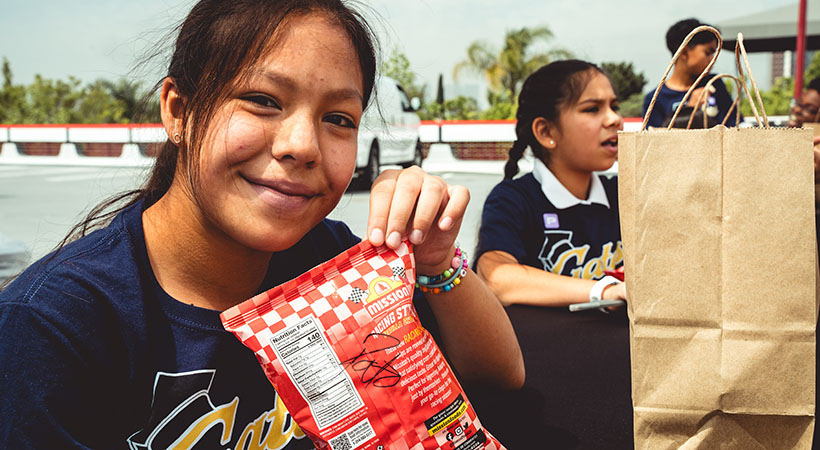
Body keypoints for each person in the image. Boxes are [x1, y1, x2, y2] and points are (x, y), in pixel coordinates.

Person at [0, 1, 524, 448]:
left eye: (338, 119)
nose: (302, 145)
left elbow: (499, 376)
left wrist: (433, 261)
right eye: (262, 101)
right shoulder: (53, 326)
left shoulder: (334, 269)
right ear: (178, 110)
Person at [475, 60, 626, 307]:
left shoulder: (624, 192)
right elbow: (497, 278)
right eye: (592, 109)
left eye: (615, 106)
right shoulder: (514, 199)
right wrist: (604, 291)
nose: (614, 119)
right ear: (546, 132)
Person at [642, 18, 739, 129]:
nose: (713, 59)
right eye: (708, 53)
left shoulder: (714, 85)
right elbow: (655, 141)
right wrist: (690, 109)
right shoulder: (655, 99)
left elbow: (733, 127)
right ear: (683, 52)